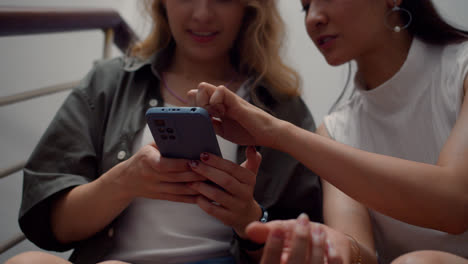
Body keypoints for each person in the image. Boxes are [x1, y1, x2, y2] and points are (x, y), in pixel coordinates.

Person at [7, 0, 323, 264]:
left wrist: (249, 219)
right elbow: (51, 226)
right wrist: (125, 181)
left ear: (250, 6)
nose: (202, 14)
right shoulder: (109, 83)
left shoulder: (281, 109)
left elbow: (304, 246)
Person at [187, 0, 468, 263]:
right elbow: (361, 253)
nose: (313, 18)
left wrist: (277, 132)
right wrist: (328, 247)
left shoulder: (461, 69)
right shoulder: (336, 129)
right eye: (305, 6)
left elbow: (455, 205)